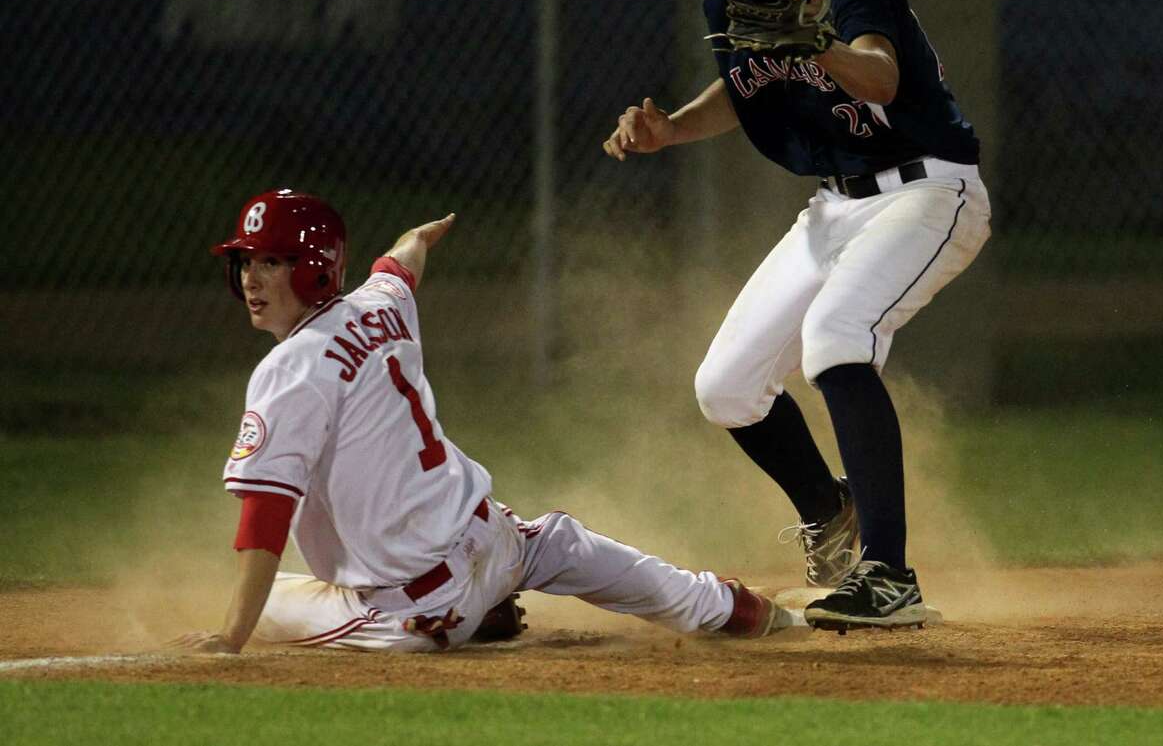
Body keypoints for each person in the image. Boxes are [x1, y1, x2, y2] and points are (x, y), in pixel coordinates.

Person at [602, 0, 991, 632]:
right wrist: (671, 128)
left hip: (928, 189)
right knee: (726, 386)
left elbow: (880, 78)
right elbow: (750, 88)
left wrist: (817, 42)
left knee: (837, 336)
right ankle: (829, 509)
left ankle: (888, 574)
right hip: (837, 204)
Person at [171, 188, 795, 654]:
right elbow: (401, 262)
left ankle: (473, 616)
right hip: (495, 541)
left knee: (265, 604)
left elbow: (265, 514)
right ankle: (727, 607)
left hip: (419, 611)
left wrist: (231, 637)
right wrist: (420, 236)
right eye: (245, 262)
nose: (250, 278)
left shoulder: (288, 370)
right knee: (557, 544)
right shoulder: (379, 305)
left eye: (271, 262)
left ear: (313, 267)